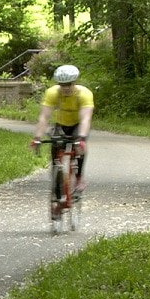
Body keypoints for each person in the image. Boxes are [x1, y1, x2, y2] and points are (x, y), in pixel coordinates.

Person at [30, 64, 94, 203]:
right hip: (61, 124)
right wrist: (37, 137)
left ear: (74, 82)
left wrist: (82, 138)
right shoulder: (52, 93)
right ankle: (57, 182)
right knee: (55, 149)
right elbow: (44, 117)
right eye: (62, 84)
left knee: (79, 146)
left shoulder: (84, 94)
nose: (65, 88)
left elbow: (86, 118)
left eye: (68, 84)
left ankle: (79, 179)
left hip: (78, 125)